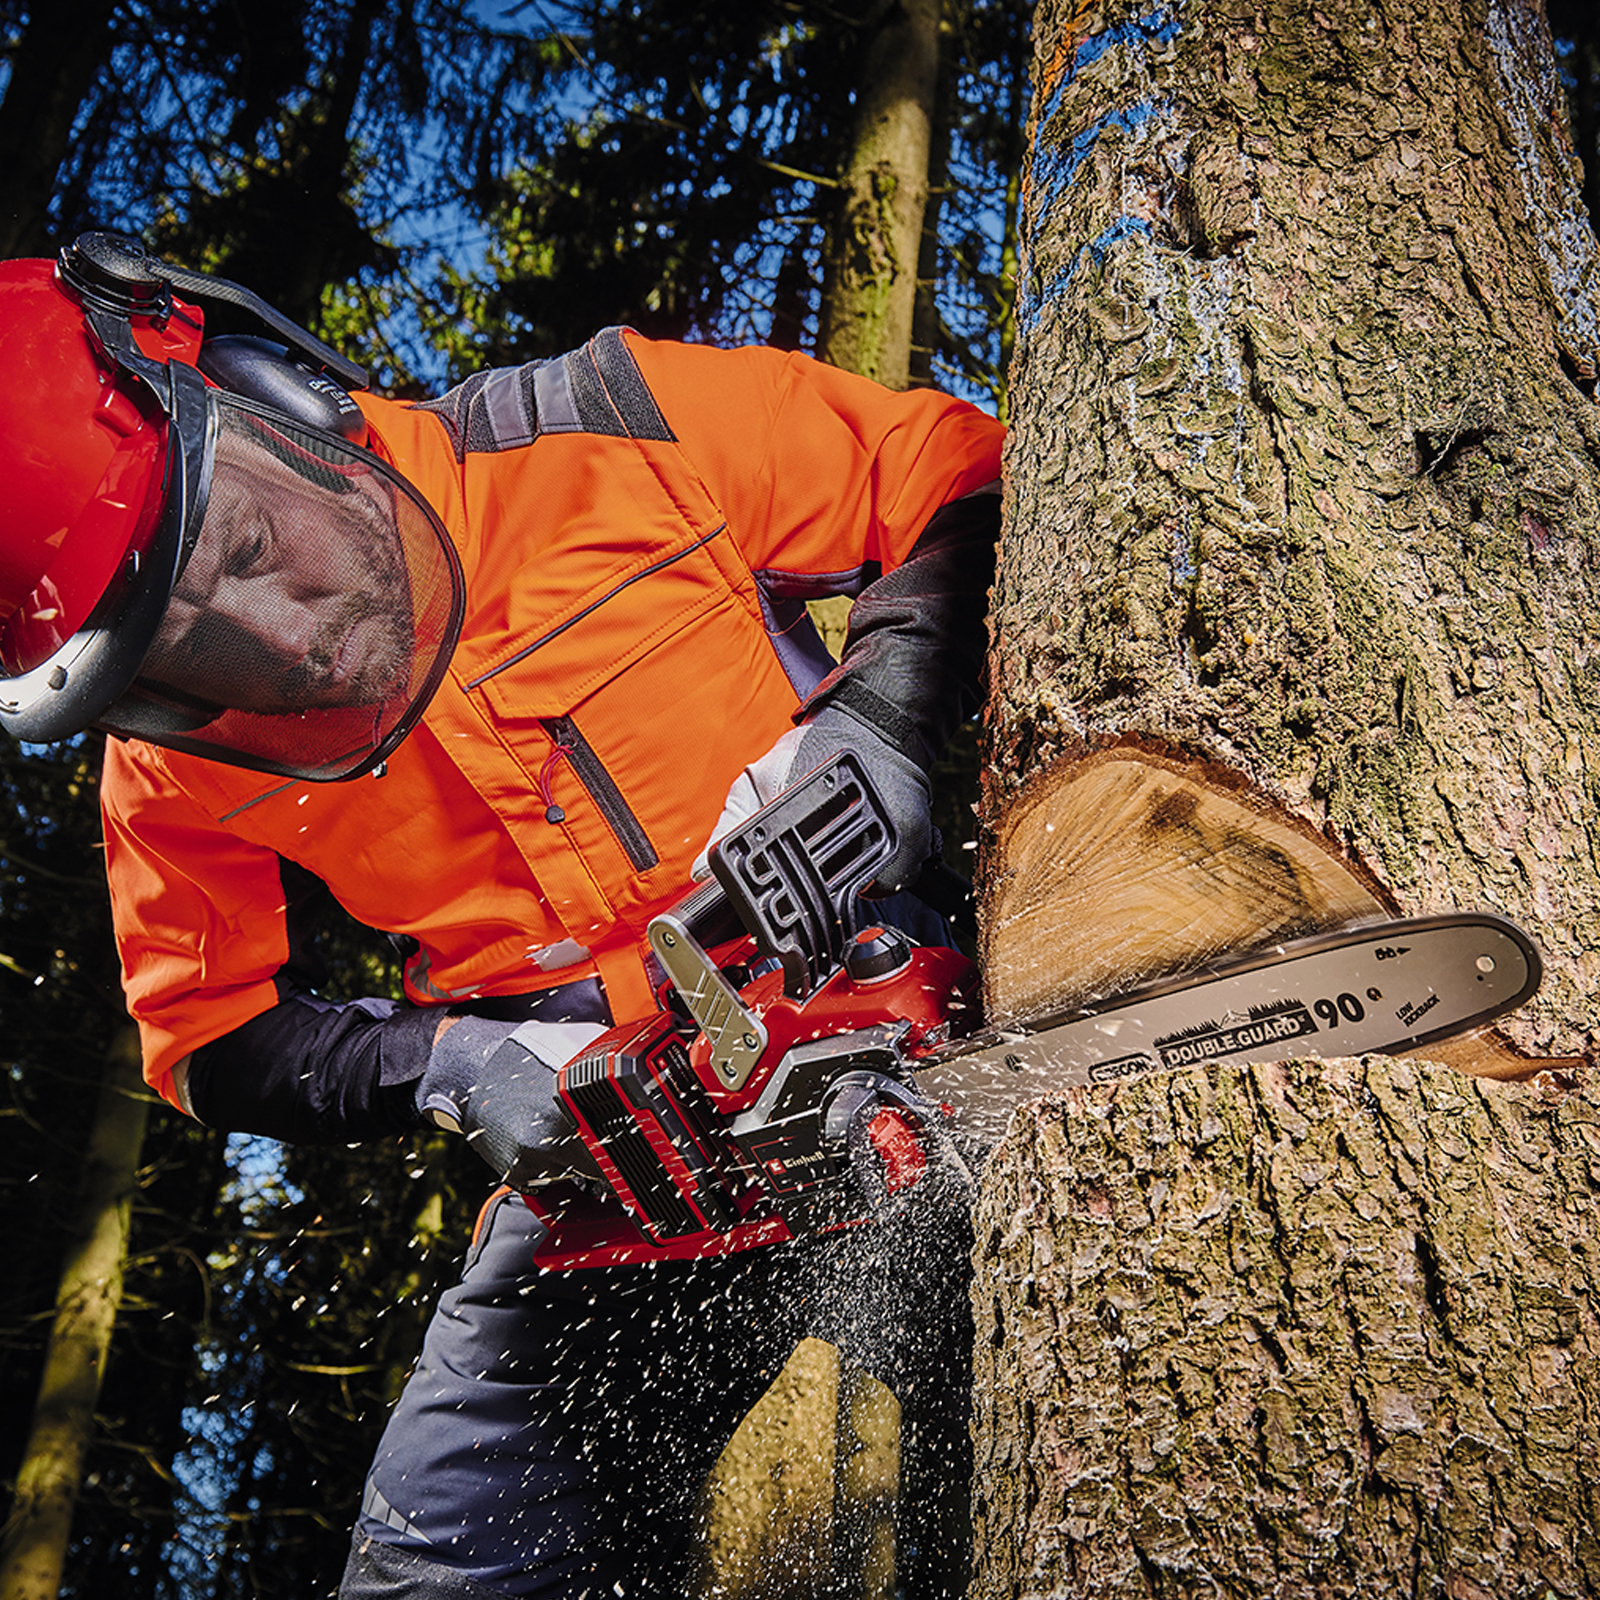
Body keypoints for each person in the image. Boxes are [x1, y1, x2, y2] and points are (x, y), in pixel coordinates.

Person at [0, 233, 1004, 1597]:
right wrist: (453, 1067)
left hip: (878, 1025)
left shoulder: (604, 427)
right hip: (613, 1165)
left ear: (265, 387)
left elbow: (955, 468)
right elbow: (208, 1035)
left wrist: (881, 722)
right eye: (190, 647)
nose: (272, 632)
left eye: (243, 542)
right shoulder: (174, 767)